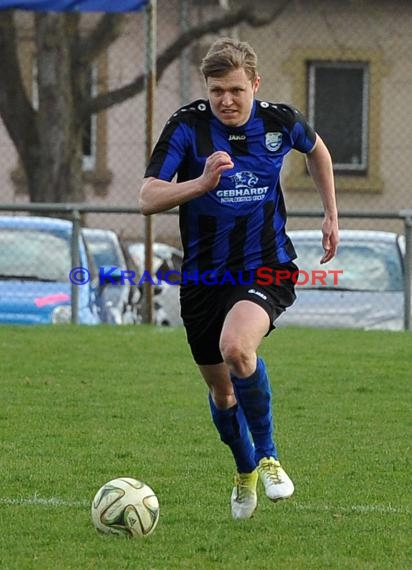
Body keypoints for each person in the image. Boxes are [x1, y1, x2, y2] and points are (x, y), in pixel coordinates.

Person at [139, 37, 339, 520]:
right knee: (221, 392)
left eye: (235, 90)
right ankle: (245, 467)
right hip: (204, 277)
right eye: (216, 91)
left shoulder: (280, 121)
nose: (226, 100)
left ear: (255, 83)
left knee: (237, 349)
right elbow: (148, 197)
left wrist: (331, 215)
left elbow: (318, 153)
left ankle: (269, 456)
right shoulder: (187, 126)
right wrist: (202, 183)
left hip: (266, 265)